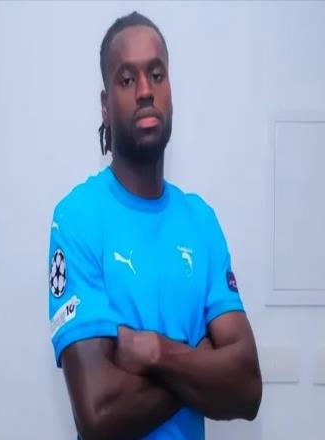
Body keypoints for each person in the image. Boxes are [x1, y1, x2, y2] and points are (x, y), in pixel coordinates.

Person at [48, 11, 262, 440]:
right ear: (106, 106)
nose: (145, 90)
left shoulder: (200, 220)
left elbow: (247, 389)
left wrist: (156, 353)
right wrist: (199, 358)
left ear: (170, 92)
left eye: (157, 75)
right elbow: (98, 414)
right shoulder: (78, 217)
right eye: (127, 79)